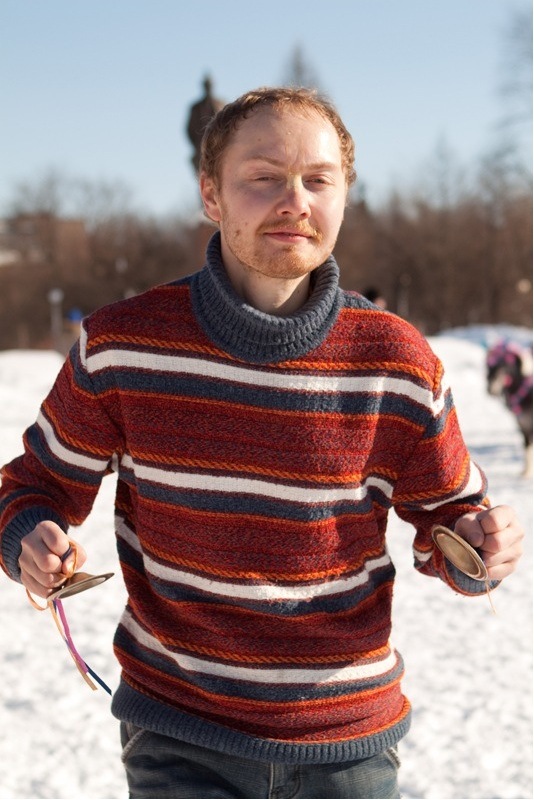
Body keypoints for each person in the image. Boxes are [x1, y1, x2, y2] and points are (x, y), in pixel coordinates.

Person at [0, 87, 523, 799]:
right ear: (210, 195)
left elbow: (450, 524)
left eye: (318, 179)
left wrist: (481, 546)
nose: (294, 201)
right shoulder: (125, 346)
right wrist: (30, 538)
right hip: (179, 731)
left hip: (345, 748)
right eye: (264, 177)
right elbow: (33, 487)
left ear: (345, 196)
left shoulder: (397, 362)